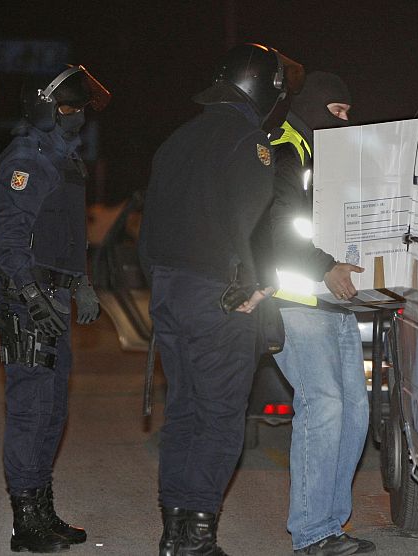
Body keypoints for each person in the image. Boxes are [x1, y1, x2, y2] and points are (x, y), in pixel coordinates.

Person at [138, 43, 303, 556]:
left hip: (170, 292)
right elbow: (252, 224)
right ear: (261, 89)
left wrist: (164, 283)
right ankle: (199, 538)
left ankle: (174, 532)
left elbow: (149, 230)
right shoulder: (248, 140)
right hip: (220, 297)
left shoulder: (176, 139)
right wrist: (256, 287)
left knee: (184, 412)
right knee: (220, 417)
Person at [0, 65, 110, 553]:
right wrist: (33, 297)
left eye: (79, 108)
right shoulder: (27, 158)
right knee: (31, 413)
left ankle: (43, 510)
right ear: (43, 108)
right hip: (27, 303)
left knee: (53, 411)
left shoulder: (64, 159)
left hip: (54, 299)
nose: (77, 116)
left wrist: (81, 283)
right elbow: (8, 238)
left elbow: (64, 237)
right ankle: (25, 523)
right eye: (67, 108)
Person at [268, 71, 375, 555]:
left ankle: (331, 526)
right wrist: (326, 266)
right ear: (312, 106)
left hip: (335, 299)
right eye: (337, 111)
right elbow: (277, 228)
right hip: (297, 299)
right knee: (325, 404)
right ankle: (311, 533)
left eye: (348, 113)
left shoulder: (326, 155)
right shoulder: (284, 150)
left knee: (355, 410)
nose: (345, 120)